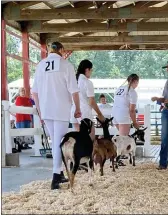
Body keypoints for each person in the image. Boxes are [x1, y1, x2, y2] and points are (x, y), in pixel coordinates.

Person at [32, 41, 81, 190]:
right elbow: (74, 90)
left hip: (46, 109)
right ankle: (55, 177)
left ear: (49, 50)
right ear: (61, 50)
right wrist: (77, 108)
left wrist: (40, 111)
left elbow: (35, 92)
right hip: (60, 109)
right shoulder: (66, 65)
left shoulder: (41, 65)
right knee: (59, 142)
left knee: (55, 141)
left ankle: (58, 173)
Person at [70, 59, 105, 131]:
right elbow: (91, 101)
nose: (91, 72)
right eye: (91, 70)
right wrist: (99, 114)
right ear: (87, 69)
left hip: (74, 113)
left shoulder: (73, 80)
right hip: (84, 114)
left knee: (78, 139)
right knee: (90, 138)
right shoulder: (87, 82)